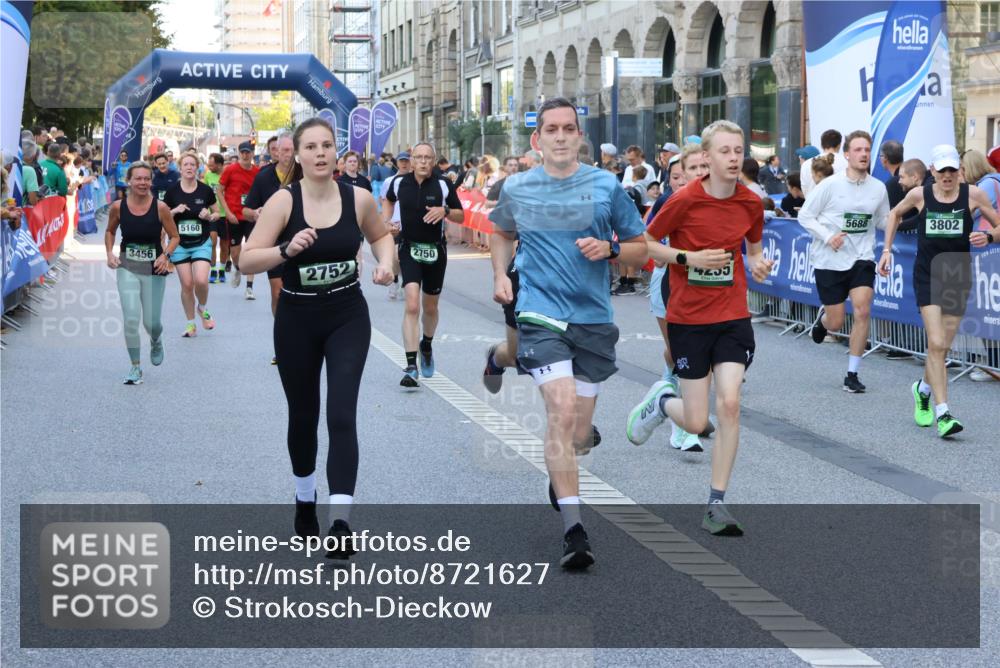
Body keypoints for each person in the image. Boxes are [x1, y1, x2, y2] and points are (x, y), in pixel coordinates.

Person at [489, 97, 649, 569]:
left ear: (580, 136)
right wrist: (500, 274)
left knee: (578, 433)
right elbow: (501, 233)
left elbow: (640, 251)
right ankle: (575, 531)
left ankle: (563, 470)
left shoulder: (606, 186)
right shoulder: (518, 187)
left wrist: (611, 247)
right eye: (551, 129)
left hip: (593, 318)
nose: (560, 136)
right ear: (538, 140)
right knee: (560, 409)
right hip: (539, 313)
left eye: (568, 129)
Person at [238, 117, 395, 552]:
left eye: (327, 145)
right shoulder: (283, 203)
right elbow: (246, 261)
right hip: (297, 318)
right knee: (303, 415)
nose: (321, 153)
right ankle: (305, 499)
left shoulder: (358, 197)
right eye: (311, 147)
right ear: (298, 155)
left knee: (342, 414)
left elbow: (382, 238)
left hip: (347, 314)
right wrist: (286, 250)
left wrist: (385, 263)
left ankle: (340, 521)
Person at [627, 120, 774, 536]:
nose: (733, 158)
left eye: (738, 150)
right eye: (724, 151)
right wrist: (686, 260)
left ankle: (716, 504)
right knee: (694, 422)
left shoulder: (750, 202)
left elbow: (754, 249)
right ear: (706, 158)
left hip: (731, 316)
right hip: (689, 319)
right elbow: (643, 243)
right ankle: (661, 404)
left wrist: (758, 265)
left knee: (728, 405)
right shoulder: (684, 199)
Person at [878, 145, 1000, 438]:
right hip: (927, 273)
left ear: (959, 170)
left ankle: (922, 389)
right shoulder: (921, 195)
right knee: (935, 340)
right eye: (941, 170)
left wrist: (988, 235)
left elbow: (999, 226)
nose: (947, 176)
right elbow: (894, 215)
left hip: (957, 273)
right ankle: (943, 413)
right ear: (932, 171)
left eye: (951, 170)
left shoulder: (974, 195)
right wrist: (886, 251)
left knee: (941, 346)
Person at [799, 131, 889, 393]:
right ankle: (823, 320)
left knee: (862, 310)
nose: (863, 154)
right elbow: (806, 216)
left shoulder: (878, 188)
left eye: (867, 150)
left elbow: (883, 221)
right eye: (858, 149)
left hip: (862, 257)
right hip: (830, 259)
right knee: (836, 322)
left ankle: (852, 373)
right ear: (847, 154)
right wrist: (828, 237)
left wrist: (905, 220)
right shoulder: (830, 185)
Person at [645, 148, 711, 451]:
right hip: (669, 285)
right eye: (676, 177)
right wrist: (666, 254)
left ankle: (686, 417)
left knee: (699, 355)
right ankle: (680, 420)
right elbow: (646, 239)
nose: (683, 181)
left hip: (705, 289)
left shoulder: (716, 202)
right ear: (669, 179)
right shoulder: (666, 202)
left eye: (693, 172)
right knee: (678, 352)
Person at [384, 142, 464, 387]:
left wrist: (446, 211)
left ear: (433, 160)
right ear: (411, 159)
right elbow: (387, 201)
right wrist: (388, 222)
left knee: (429, 308)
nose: (422, 162)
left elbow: (461, 214)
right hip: (408, 248)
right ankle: (410, 366)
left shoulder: (443, 184)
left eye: (428, 157)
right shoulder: (398, 183)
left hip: (435, 251)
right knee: (411, 304)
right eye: (418, 157)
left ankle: (426, 345)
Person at [104, 162, 180, 384]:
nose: (143, 183)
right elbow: (110, 231)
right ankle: (135, 367)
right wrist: (109, 254)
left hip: (154, 268)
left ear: (151, 181)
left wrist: (165, 255)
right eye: (138, 178)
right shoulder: (118, 207)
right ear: (129, 181)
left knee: (151, 322)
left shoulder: (161, 208)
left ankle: (156, 339)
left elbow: (175, 236)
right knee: (131, 318)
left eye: (147, 179)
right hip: (128, 265)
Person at [243, 132, 294, 363]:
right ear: (275, 152)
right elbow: (246, 209)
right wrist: (255, 213)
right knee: (278, 293)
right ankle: (284, 341)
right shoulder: (264, 177)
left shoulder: (306, 175)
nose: (287, 154)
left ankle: (303, 338)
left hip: (302, 242)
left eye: (292, 150)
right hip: (275, 245)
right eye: (283, 150)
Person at [164, 154, 221, 338]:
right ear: (180, 168)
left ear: (197, 168)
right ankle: (190, 324)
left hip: (201, 242)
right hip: (179, 244)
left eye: (192, 164)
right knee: (187, 285)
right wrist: (174, 211)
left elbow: (217, 213)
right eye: (185, 164)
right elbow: (163, 216)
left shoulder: (205, 191)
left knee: (202, 280)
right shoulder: (172, 192)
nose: (189, 167)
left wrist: (210, 215)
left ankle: (202, 308)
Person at [960, 149, 1000, 382]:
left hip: (986, 249)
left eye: (962, 170)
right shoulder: (994, 181)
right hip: (989, 250)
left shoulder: (983, 186)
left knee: (987, 309)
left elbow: (963, 212)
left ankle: (994, 364)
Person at [217, 141, 260, 293]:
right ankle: (237, 267)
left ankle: (249, 287)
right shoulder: (231, 170)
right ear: (239, 152)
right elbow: (219, 190)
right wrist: (227, 212)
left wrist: (258, 212)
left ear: (253, 153)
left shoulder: (257, 172)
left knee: (251, 251)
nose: (245, 155)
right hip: (234, 217)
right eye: (242, 152)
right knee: (235, 253)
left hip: (250, 217)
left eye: (248, 152)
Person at [381, 151, 412, 300]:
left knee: (406, 256)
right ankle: (395, 280)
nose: (404, 163)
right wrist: (386, 222)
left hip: (411, 225)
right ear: (397, 163)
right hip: (395, 224)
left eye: (407, 161)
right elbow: (384, 202)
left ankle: (407, 283)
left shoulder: (416, 180)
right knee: (395, 256)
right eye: (401, 161)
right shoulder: (389, 181)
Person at [203, 153, 228, 284]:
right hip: (212, 214)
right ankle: (213, 270)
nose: (209, 167)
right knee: (212, 243)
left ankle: (222, 269)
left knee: (224, 245)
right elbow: (205, 192)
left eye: (212, 165)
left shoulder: (227, 174)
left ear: (219, 165)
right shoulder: (208, 175)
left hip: (225, 215)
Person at [802, 130, 847, 197]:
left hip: (812, 205)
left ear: (821, 145)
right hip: (839, 206)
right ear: (839, 145)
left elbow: (805, 190)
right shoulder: (847, 163)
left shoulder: (806, 164)